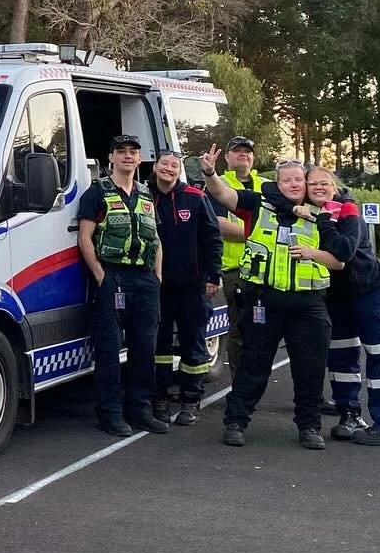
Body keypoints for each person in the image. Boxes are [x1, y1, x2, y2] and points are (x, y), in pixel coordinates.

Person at [199, 149, 346, 449]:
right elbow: (223, 195)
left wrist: (313, 252)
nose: (293, 184)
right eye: (286, 180)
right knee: (253, 366)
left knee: (310, 369)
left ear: (306, 184)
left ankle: (309, 427)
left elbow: (339, 260)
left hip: (308, 304)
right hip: (263, 302)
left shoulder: (322, 214)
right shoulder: (258, 204)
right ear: (277, 184)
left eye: (298, 180)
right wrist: (210, 173)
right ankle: (236, 422)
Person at [76, 134, 169, 437]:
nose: (128, 156)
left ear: (140, 158)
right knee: (110, 349)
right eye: (122, 151)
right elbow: (85, 238)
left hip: (145, 279)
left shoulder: (145, 194)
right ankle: (111, 414)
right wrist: (100, 275)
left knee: (145, 347)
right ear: (111, 157)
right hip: (113, 277)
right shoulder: (97, 192)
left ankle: (140, 410)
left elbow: (155, 239)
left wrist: (157, 276)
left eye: (133, 152)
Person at [307, 166, 380, 445]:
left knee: (378, 353)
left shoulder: (347, 210)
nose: (319, 188)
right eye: (312, 184)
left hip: (366, 290)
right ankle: (348, 415)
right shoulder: (306, 210)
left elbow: (343, 252)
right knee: (341, 357)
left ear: (334, 186)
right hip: (336, 295)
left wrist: (323, 221)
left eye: (324, 183)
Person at [149, 151, 223, 426]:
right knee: (159, 347)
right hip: (157, 287)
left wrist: (213, 275)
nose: (168, 169)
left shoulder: (195, 197)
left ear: (178, 170)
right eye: (164, 164)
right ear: (155, 166)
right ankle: (159, 398)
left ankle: (190, 401)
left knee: (193, 345)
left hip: (193, 286)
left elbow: (212, 237)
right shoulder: (144, 197)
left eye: (174, 165)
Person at [218, 137, 267, 375]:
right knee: (238, 331)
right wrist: (257, 236)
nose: (243, 154)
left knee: (263, 329)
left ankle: (257, 379)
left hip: (266, 271)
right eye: (237, 151)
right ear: (227, 157)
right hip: (234, 270)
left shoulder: (267, 186)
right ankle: (240, 383)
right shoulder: (218, 184)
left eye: (247, 151)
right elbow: (219, 224)